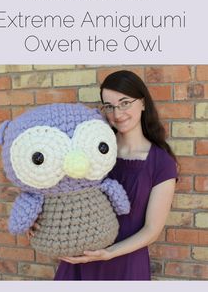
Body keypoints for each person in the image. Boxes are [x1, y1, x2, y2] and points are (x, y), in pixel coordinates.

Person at [54, 70, 177, 280]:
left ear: (143, 103)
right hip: (80, 261)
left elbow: (152, 230)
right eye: (109, 106)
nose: (117, 114)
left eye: (125, 103)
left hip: (125, 265)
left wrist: (108, 253)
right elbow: (63, 195)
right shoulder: (90, 151)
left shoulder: (161, 163)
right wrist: (40, 222)